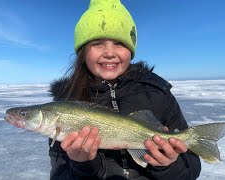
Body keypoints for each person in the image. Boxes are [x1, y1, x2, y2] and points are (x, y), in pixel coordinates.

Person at [48, 0, 201, 179]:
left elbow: (191, 170)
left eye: (119, 43)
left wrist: (168, 165)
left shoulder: (158, 94)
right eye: (97, 43)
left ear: (131, 49)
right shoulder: (67, 105)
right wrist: (83, 165)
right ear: (83, 52)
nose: (110, 52)